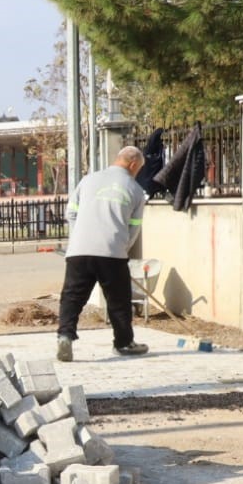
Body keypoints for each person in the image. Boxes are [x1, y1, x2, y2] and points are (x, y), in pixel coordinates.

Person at [56, 145, 149, 361]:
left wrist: (81, 235)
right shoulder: (135, 190)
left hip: (79, 250)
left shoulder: (88, 181)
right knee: (119, 300)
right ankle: (124, 343)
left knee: (72, 296)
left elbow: (70, 213)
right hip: (112, 252)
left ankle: (65, 337)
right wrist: (122, 247)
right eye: (139, 169)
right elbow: (134, 228)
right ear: (133, 164)